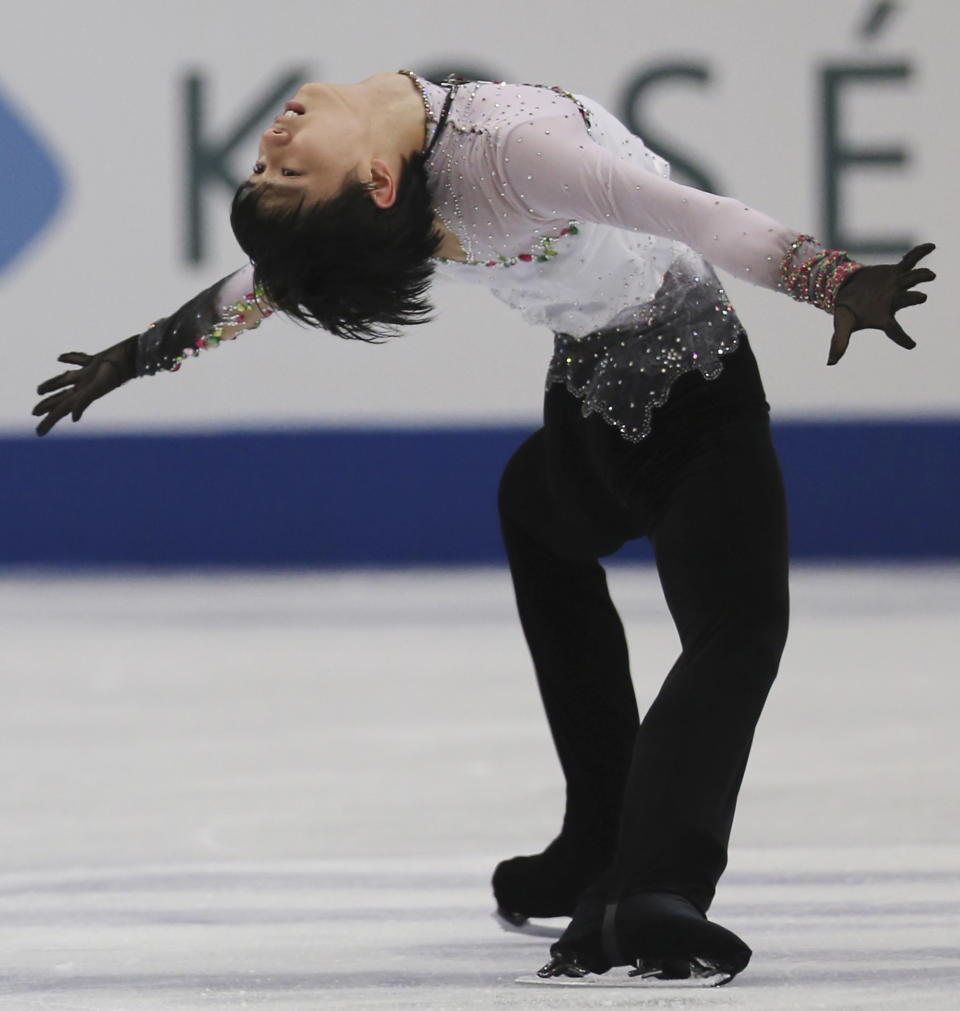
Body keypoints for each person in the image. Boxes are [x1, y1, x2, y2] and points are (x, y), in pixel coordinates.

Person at [33, 71, 934, 986]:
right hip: (693, 399)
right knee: (738, 626)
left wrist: (139, 354)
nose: (269, 149)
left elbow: (272, 278)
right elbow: (696, 218)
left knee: (537, 512)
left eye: (268, 174)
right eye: (285, 175)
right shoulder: (500, 156)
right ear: (379, 183)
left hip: (589, 411)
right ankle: (648, 884)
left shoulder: (433, 178)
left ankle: (601, 840)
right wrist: (831, 279)